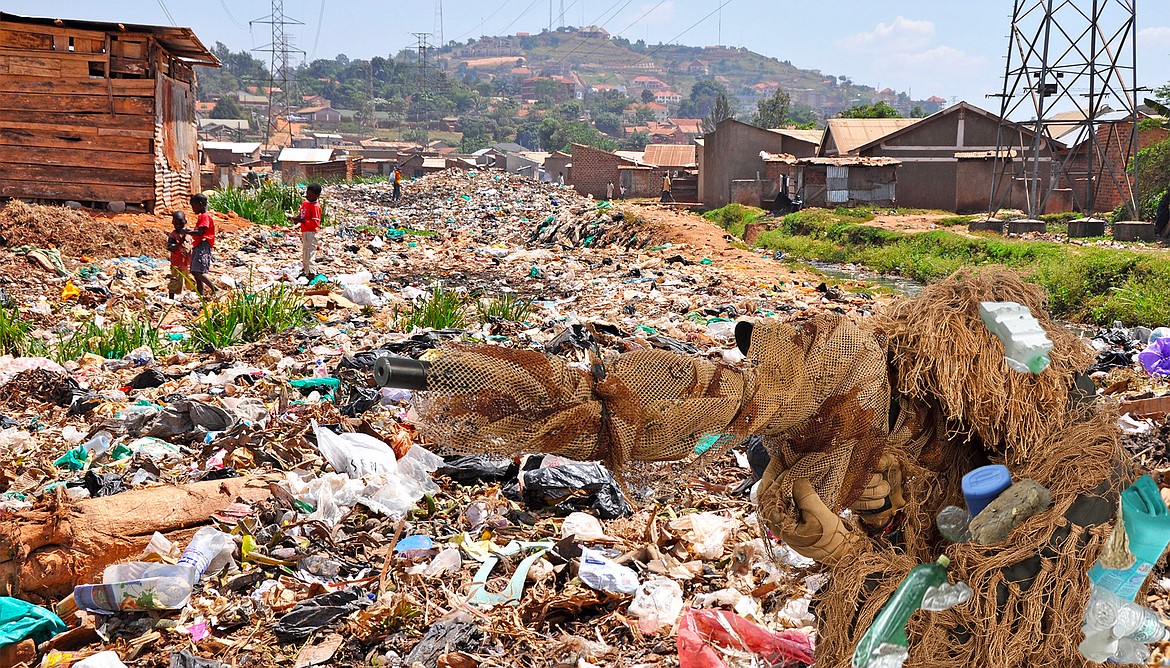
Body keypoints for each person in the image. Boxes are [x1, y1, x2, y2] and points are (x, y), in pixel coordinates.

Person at [288, 183, 323, 278]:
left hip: (311, 233)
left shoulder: (315, 206)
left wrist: (301, 220)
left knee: (309, 253)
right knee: (305, 253)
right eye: (307, 193)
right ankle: (307, 271)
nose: (308, 196)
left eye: (310, 194)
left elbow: (315, 223)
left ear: (317, 195)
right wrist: (295, 219)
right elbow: (301, 215)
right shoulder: (305, 204)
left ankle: (311, 273)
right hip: (305, 231)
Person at [187, 194, 216, 298]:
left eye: (193, 206)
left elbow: (199, 232)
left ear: (200, 204)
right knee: (195, 272)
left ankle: (214, 288)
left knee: (197, 271)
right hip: (199, 244)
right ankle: (200, 295)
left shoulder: (205, 216)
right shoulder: (202, 216)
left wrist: (187, 231)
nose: (192, 208)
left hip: (203, 244)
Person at [166, 212, 192, 299]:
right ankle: (171, 299)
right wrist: (180, 242)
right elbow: (170, 247)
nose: (178, 225)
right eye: (176, 223)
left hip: (188, 264)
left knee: (191, 281)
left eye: (181, 223)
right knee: (175, 282)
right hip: (177, 264)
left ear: (185, 222)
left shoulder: (189, 234)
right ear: (173, 223)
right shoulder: (173, 236)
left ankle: (196, 297)